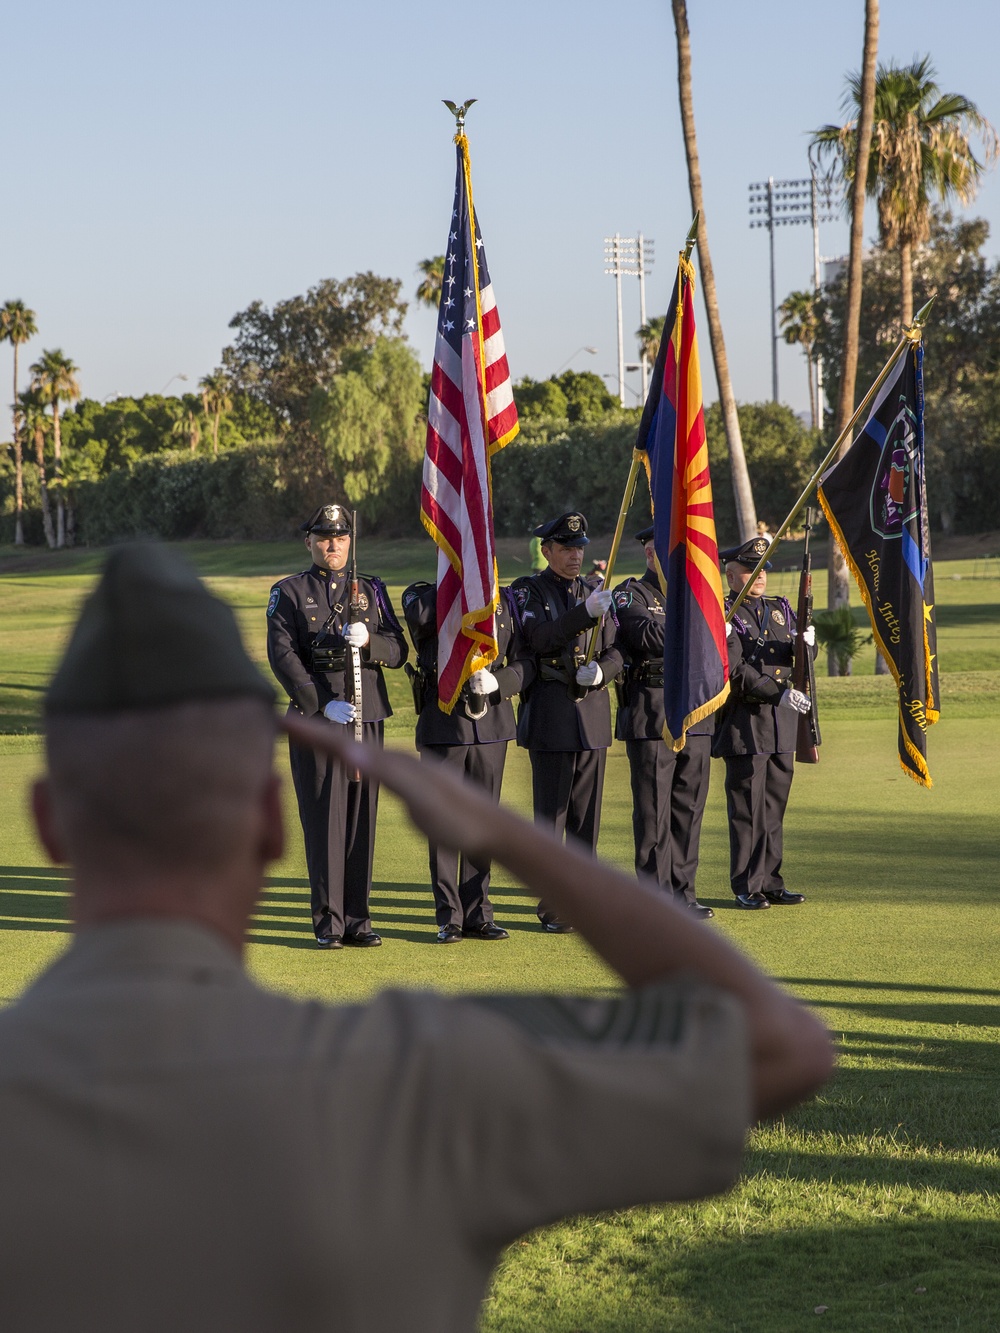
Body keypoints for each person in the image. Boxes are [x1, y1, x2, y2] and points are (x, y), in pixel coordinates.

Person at [6, 541, 832, 1333]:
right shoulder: (410, 1072)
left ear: (47, 825)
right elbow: (779, 1049)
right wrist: (517, 841)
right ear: (269, 822)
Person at [266, 504, 407, 947]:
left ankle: (358, 920)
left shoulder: (372, 590)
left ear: (351, 541)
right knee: (325, 818)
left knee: (362, 818)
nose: (334, 545)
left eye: (341, 537)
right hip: (319, 722)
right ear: (309, 541)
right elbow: (282, 655)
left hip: (367, 718)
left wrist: (371, 644)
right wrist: (319, 704)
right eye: (325, 537)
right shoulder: (289, 591)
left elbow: (399, 650)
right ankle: (329, 923)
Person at [401, 580, 532, 942]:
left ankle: (478, 913)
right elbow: (421, 621)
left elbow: (525, 660)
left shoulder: (504, 598)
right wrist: (458, 586)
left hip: (491, 724)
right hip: (443, 722)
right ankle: (449, 916)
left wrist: (500, 682)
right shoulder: (422, 592)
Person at [511, 512, 623, 931]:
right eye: (566, 548)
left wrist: (603, 672)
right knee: (551, 818)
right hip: (552, 713)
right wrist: (583, 615)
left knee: (585, 818)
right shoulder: (528, 591)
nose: (575, 556)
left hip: (590, 715)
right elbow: (537, 639)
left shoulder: (595, 589)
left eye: (579, 548)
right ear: (547, 551)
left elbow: (615, 651)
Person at [613, 526, 715, 918]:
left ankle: (684, 894)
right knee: (653, 810)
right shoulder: (632, 593)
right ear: (647, 552)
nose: (662, 555)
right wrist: (698, 627)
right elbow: (645, 634)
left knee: (689, 808)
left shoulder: (698, 593)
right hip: (652, 711)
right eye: (656, 549)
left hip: (696, 710)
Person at [712, 537, 816, 909]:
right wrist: (777, 693)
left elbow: (795, 659)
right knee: (746, 809)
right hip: (745, 722)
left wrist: (808, 645)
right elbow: (735, 670)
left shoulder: (781, 609)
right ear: (731, 574)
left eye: (762, 571)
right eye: (749, 570)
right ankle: (746, 883)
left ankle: (771, 880)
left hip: (780, 723)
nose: (759, 577)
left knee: (773, 806)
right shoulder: (725, 613)